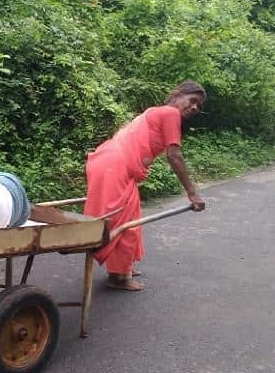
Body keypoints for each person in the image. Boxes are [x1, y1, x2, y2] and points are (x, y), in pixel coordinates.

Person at [84, 80, 207, 291]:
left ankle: (123, 267)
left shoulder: (155, 112)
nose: (195, 107)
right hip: (115, 166)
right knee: (123, 224)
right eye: (193, 100)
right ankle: (118, 277)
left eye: (199, 106)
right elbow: (174, 156)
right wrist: (192, 193)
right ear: (177, 95)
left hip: (111, 163)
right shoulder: (170, 114)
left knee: (129, 219)